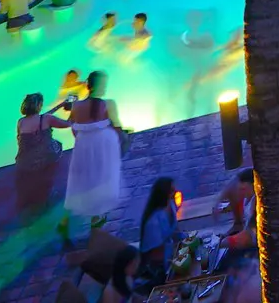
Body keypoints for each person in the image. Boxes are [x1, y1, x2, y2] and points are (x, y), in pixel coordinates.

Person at [64, 71, 125, 236]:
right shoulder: (109, 104)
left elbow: (73, 127)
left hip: (83, 146)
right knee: (101, 176)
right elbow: (117, 125)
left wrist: (84, 139)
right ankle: (96, 219)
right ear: (100, 87)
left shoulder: (76, 106)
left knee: (84, 180)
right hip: (105, 145)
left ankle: (73, 220)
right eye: (103, 85)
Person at [16, 91, 69, 212]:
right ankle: (49, 191)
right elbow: (67, 124)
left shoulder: (21, 122)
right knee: (57, 145)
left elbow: (41, 118)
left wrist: (60, 105)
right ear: (39, 105)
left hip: (24, 160)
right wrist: (75, 112)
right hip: (44, 158)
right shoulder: (46, 119)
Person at [137, 177, 183, 285]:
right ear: (164, 194)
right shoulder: (153, 222)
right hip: (159, 265)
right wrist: (175, 257)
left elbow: (175, 229)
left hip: (171, 254)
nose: (176, 192)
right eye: (172, 190)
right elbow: (156, 253)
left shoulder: (171, 205)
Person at [217, 167, 257, 250]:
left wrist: (230, 239)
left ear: (254, 185)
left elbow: (248, 233)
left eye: (244, 189)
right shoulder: (246, 197)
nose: (242, 192)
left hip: (252, 237)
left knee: (223, 244)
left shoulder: (256, 203)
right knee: (221, 241)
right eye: (240, 189)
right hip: (246, 231)